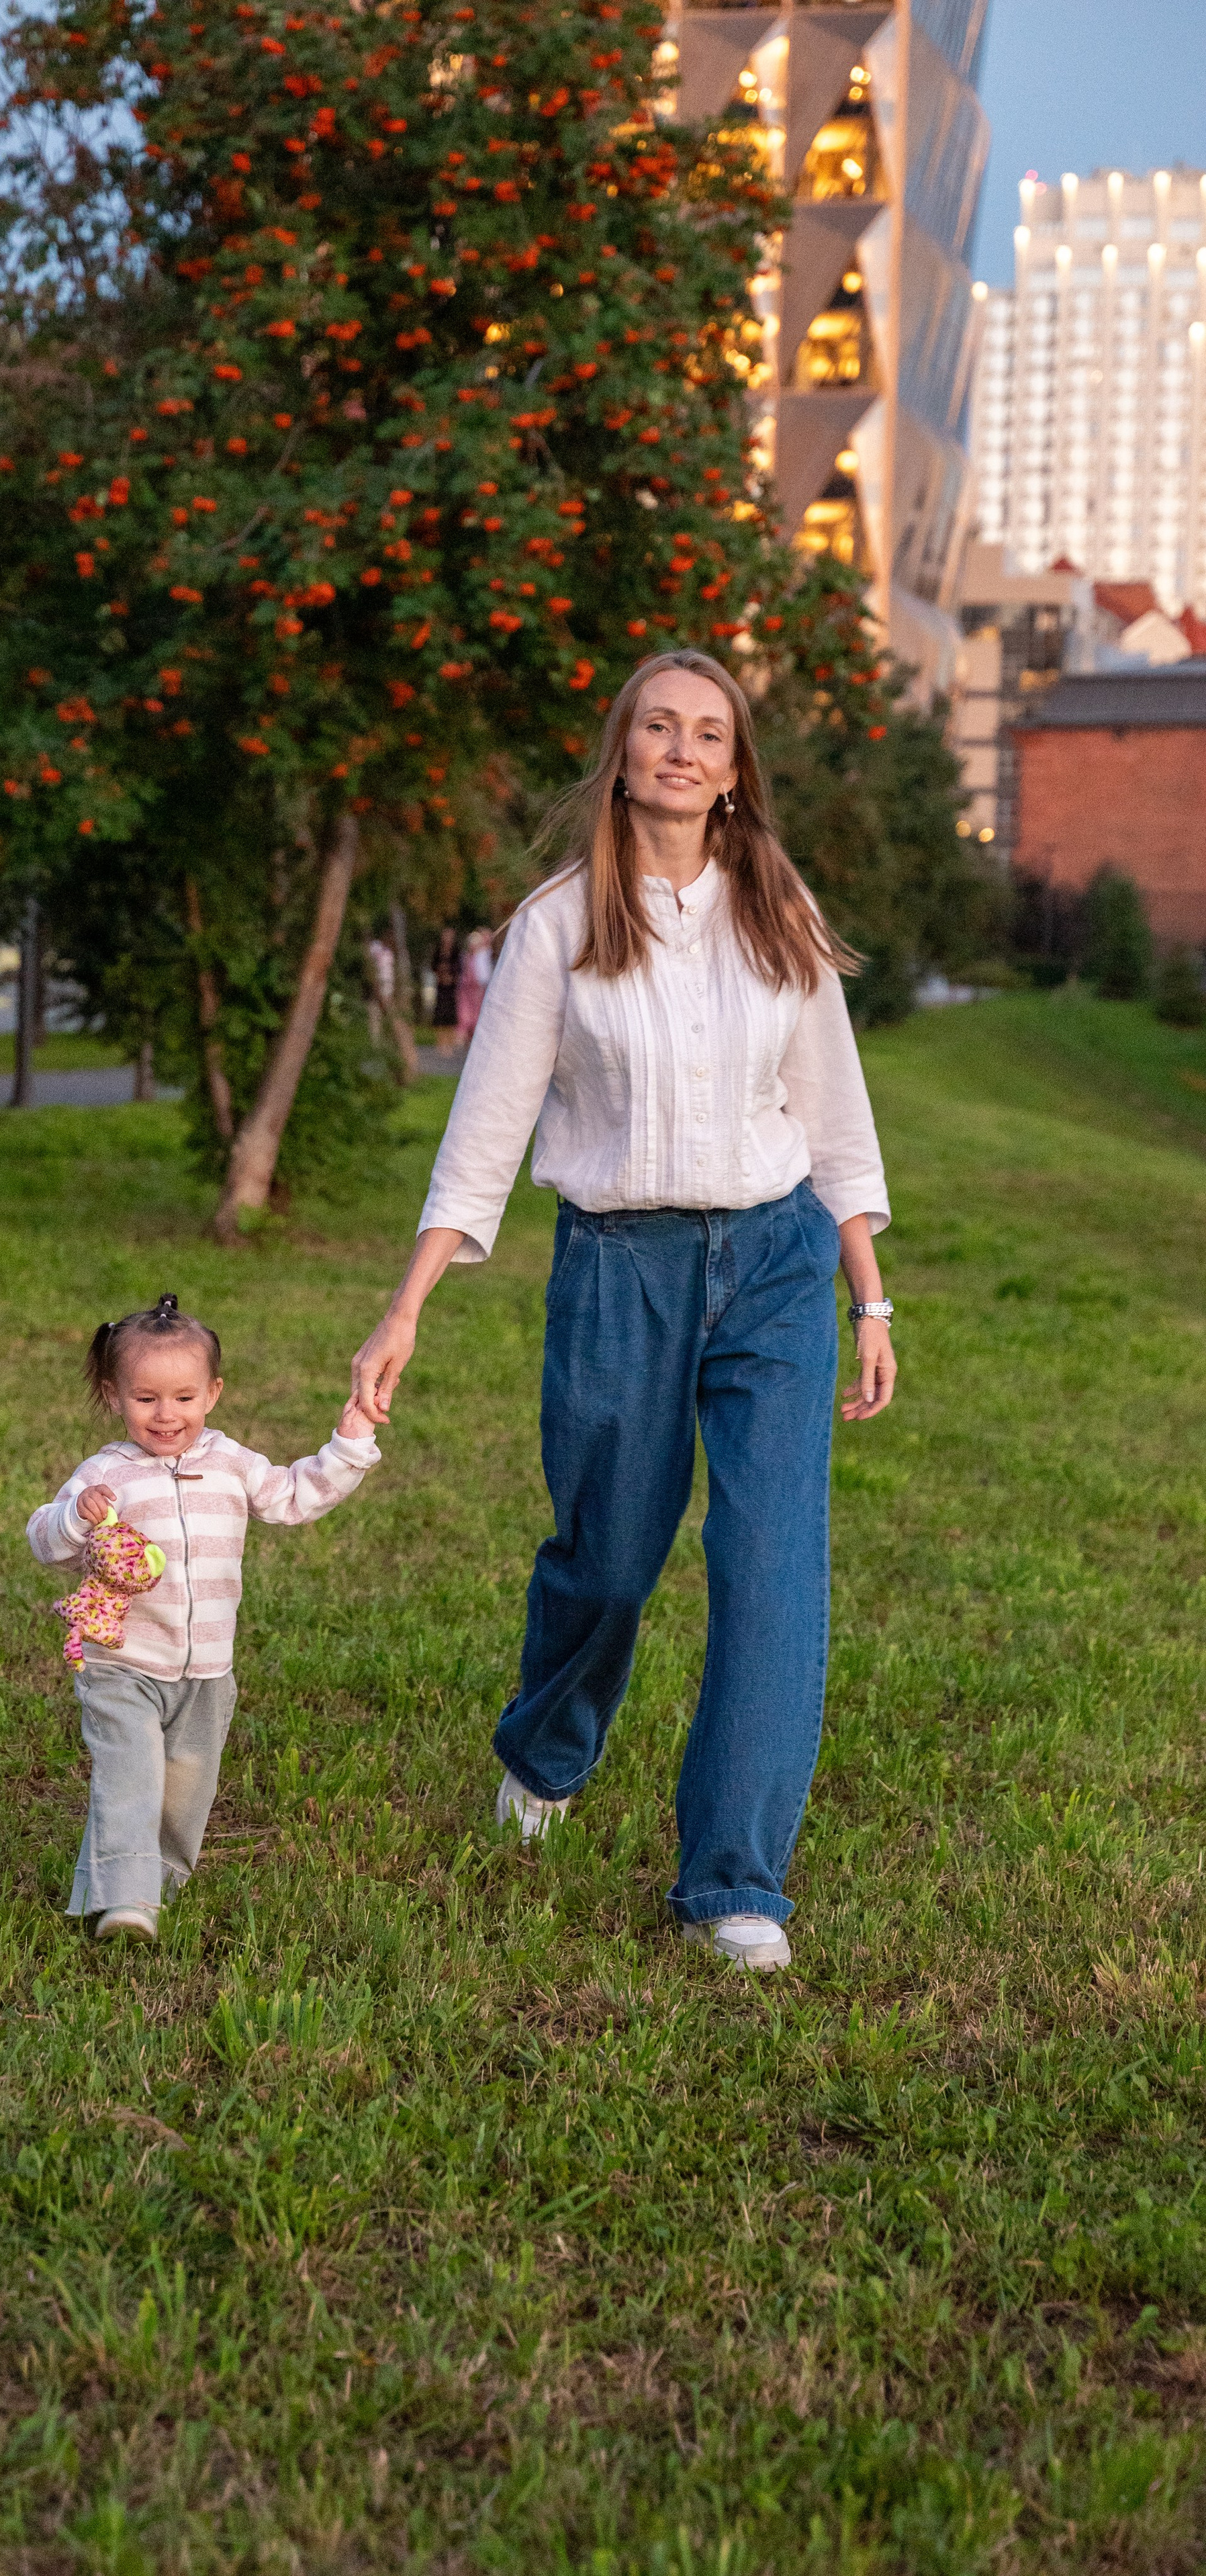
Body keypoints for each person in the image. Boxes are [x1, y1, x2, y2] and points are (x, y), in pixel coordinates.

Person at [350, 650, 896, 1974]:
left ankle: (732, 1880)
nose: (681, 749)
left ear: (732, 768)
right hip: (617, 1270)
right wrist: (403, 1308)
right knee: (606, 1558)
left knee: (769, 1571)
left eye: (708, 732)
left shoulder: (776, 907)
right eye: (658, 725)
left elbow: (833, 1116)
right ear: (623, 747)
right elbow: (483, 1133)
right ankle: (546, 1750)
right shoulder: (555, 924)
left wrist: (866, 1294)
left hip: (773, 1267)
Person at [28, 1294, 381, 1943]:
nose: (167, 1415)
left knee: (186, 1790)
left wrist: (348, 1448)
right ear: (114, 1396)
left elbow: (295, 1496)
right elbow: (46, 1540)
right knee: (130, 1772)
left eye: (184, 1398)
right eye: (146, 1399)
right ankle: (126, 1899)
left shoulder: (232, 1463)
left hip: (207, 1669)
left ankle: (144, 1887)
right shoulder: (105, 1474)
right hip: (122, 1662)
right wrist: (75, 1517)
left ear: (213, 1394)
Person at [456, 925, 494, 1047]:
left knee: (477, 1014)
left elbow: (483, 975)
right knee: (466, 1014)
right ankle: (465, 1039)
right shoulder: (467, 957)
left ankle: (473, 1039)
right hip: (468, 989)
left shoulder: (483, 955)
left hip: (478, 989)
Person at [430, 923, 461, 1055]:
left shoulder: (456, 952)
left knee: (451, 1015)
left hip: (452, 987)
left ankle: (450, 1044)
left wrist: (452, 977)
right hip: (441, 986)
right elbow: (433, 966)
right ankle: (441, 1043)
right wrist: (440, 974)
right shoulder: (438, 951)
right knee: (440, 1014)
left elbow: (459, 968)